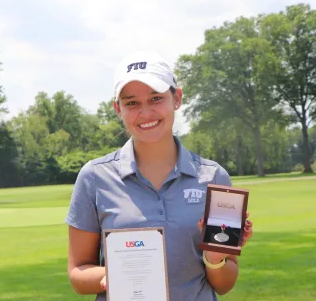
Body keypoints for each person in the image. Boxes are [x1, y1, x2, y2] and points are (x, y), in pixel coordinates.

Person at [65, 51, 253, 300]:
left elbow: (225, 284)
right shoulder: (94, 177)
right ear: (117, 109)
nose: (145, 113)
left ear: (177, 98)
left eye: (156, 98)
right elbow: (78, 274)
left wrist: (216, 257)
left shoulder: (214, 177)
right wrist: (117, 275)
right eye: (131, 102)